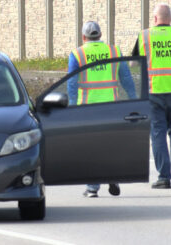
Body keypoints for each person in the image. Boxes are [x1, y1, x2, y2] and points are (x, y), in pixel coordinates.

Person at [67, 21, 137, 197]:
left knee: (91, 148)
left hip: (88, 108)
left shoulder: (78, 54)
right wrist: (134, 100)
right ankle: (112, 175)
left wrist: (71, 106)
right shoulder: (114, 51)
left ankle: (92, 188)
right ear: (100, 35)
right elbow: (126, 78)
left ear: (83, 37)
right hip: (112, 106)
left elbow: (72, 84)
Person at [132, 3, 171, 189]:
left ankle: (164, 177)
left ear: (155, 19)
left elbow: (134, 63)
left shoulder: (145, 35)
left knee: (158, 135)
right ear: (169, 19)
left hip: (154, 93)